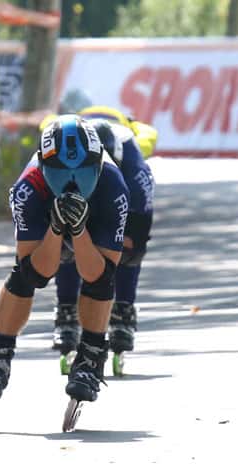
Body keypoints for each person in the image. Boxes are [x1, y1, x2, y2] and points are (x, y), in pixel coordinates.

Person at [0, 114, 129, 403]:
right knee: (23, 275)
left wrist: (79, 232)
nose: (71, 180)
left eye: (82, 170)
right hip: (45, 218)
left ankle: (91, 355)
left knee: (103, 279)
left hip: (96, 222)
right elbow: (37, 273)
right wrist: (56, 228)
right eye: (59, 170)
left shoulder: (113, 186)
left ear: (96, 164)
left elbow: (98, 273)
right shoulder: (27, 187)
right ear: (43, 167)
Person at [51, 107, 157, 358]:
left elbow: (138, 232)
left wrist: (125, 244)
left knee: (130, 250)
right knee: (65, 240)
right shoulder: (63, 137)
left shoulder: (136, 165)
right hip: (74, 169)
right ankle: (66, 308)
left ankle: (123, 308)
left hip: (123, 183)